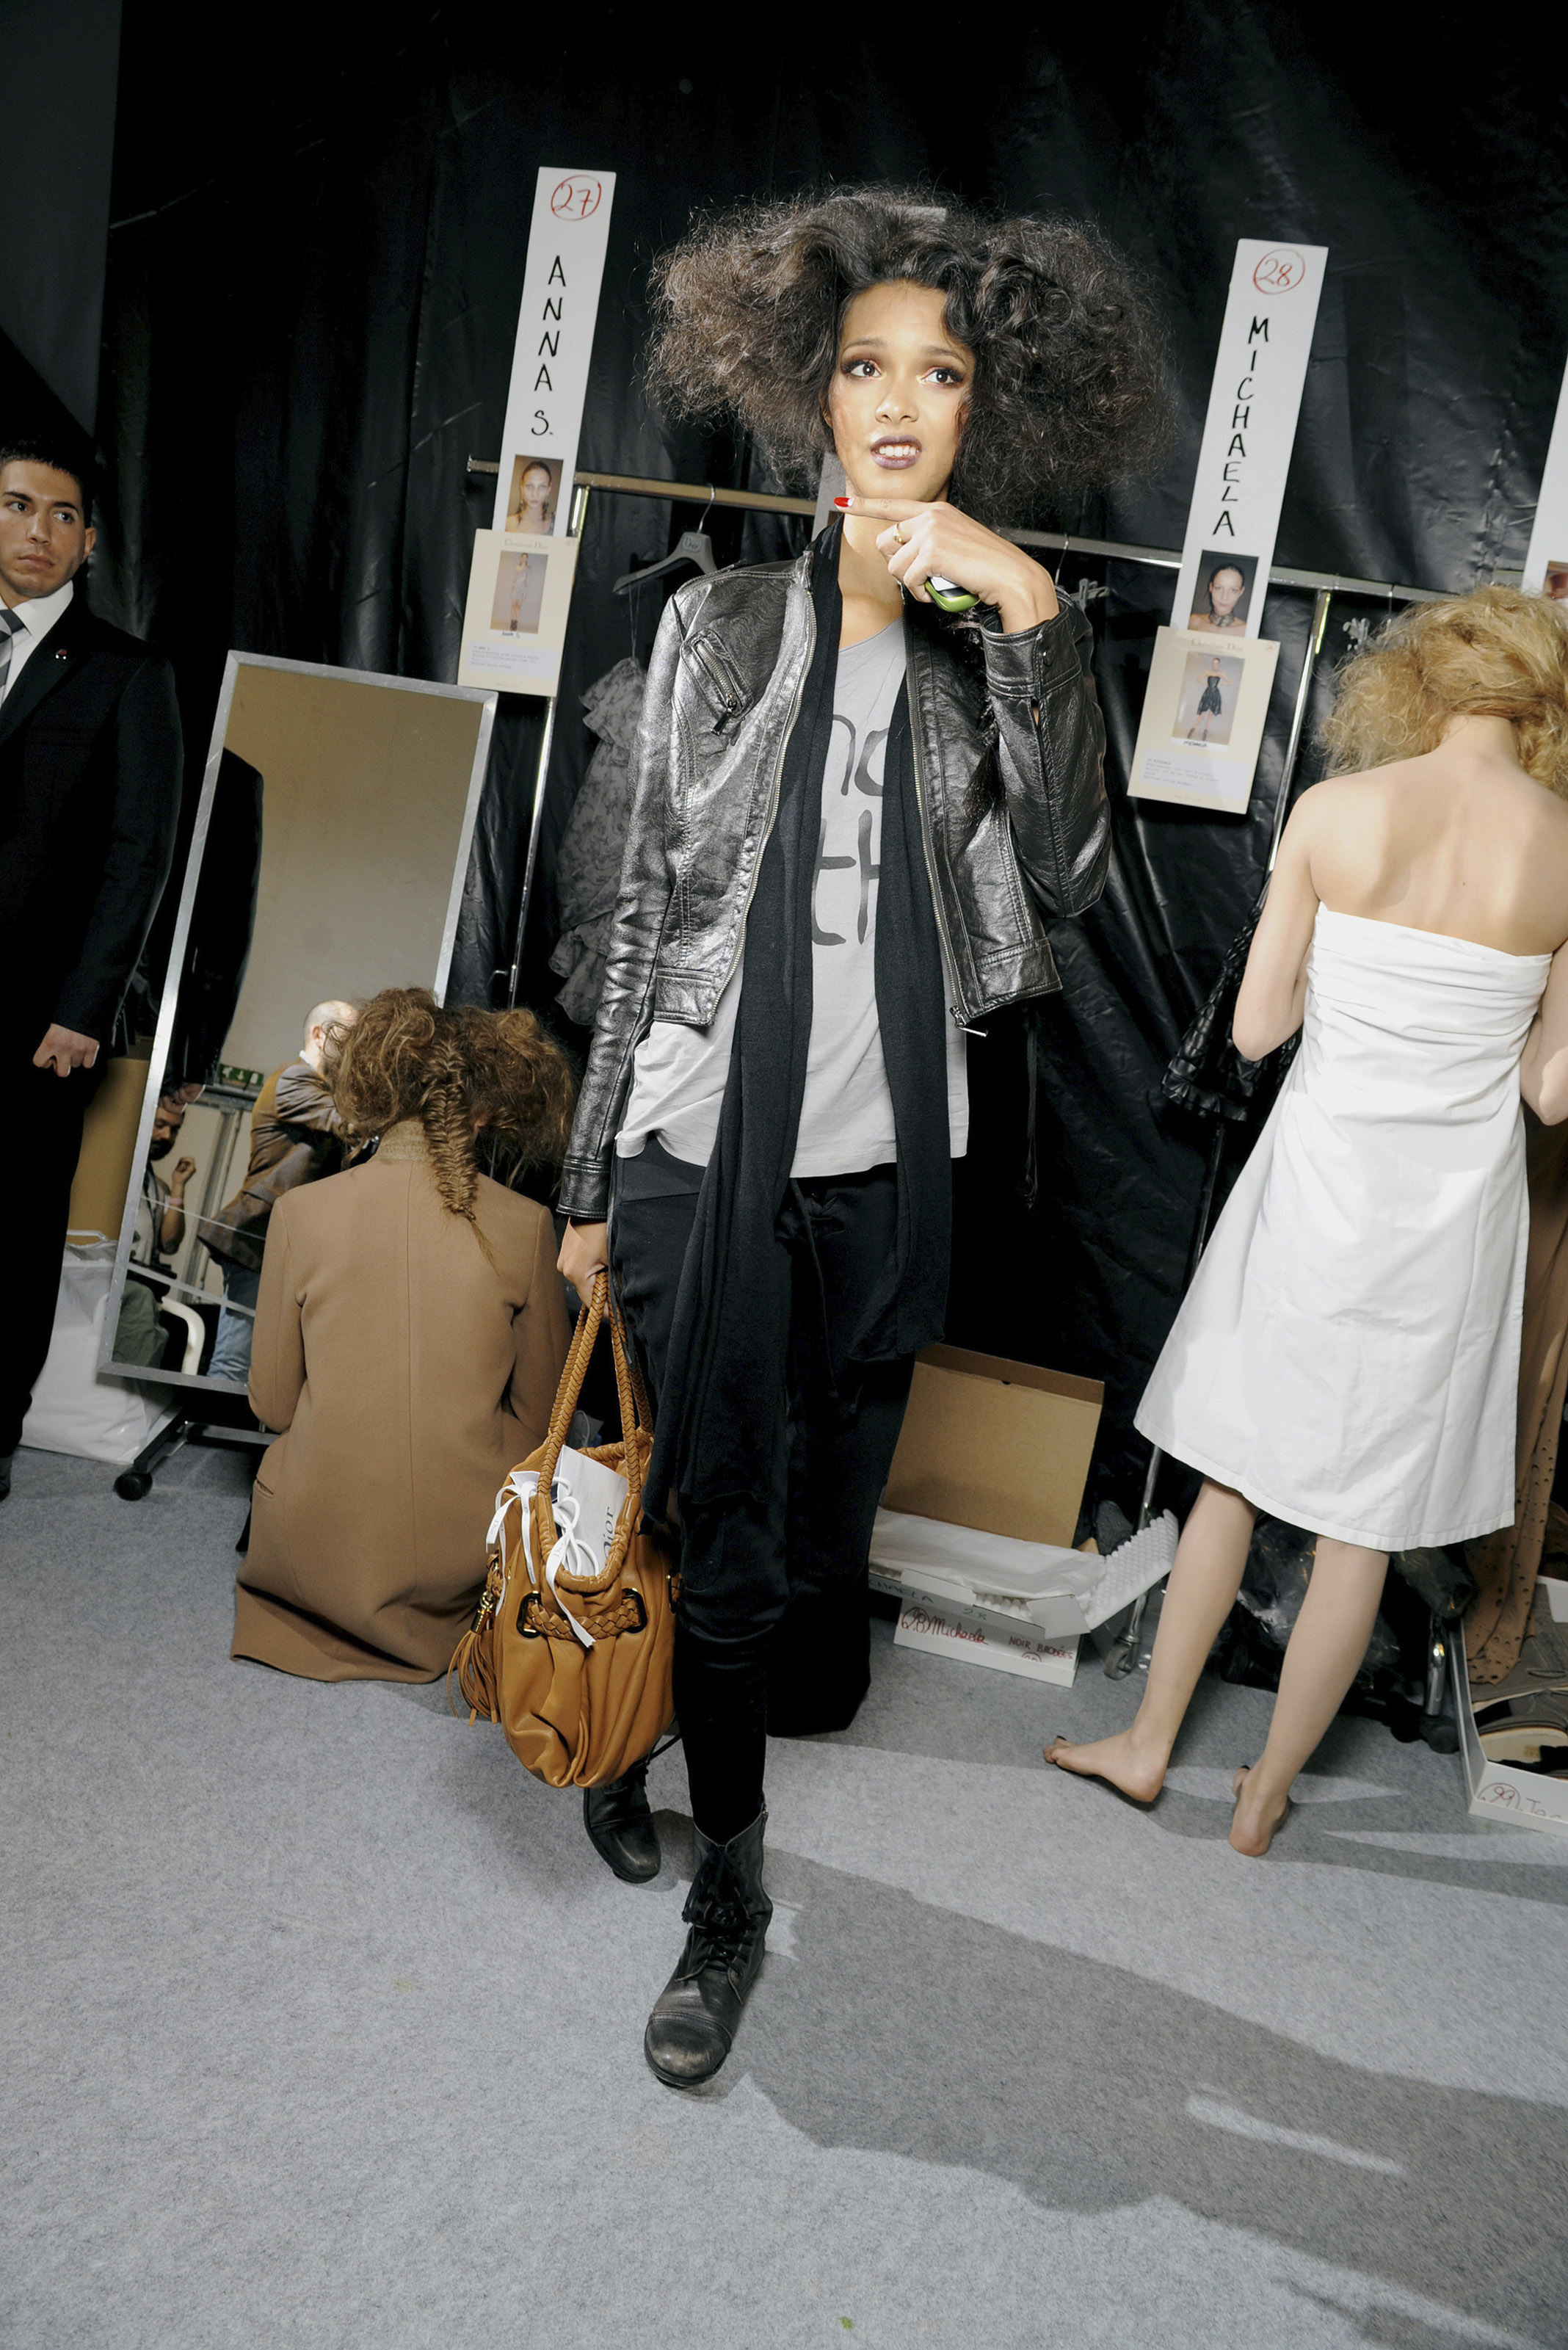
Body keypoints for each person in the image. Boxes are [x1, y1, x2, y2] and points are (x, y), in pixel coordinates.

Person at [556, 186, 1167, 2086]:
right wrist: (588, 1182)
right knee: (737, 1538)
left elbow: (1068, 874)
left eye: (942, 373)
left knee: (802, 1542)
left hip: (886, 1164)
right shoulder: (719, 624)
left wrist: (1033, 609)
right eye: (865, 366)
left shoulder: (996, 653)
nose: (900, 401)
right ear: (809, 395)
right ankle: (729, 1906)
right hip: (699, 1147)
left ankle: (656, 1715)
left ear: (988, 408)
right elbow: (637, 921)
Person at [1049, 587, 1568, 1854]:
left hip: (1316, 1190)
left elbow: (1253, 1029)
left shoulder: (1338, 813)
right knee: (1362, 1526)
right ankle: (1266, 1794)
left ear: (1417, 685)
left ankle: (1147, 1747)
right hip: (1453, 1225)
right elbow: (1550, 1090)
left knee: (1231, 1474)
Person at [233, 989, 575, 1682]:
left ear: (372, 1090)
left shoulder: (301, 1213)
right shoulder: (526, 1225)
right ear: (486, 1105)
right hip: (461, 1555)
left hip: (310, 1545)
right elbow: (545, 1420)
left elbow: (272, 1405)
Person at [0, 435, 183, 1502]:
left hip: (38, 1017)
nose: (38, 529)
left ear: (91, 543)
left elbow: (137, 857)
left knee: (15, 1226)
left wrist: (85, 1007)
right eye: (18, 504)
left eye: (61, 514)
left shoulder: (126, 672)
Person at [199, 1001, 358, 1383]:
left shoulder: (317, 1088)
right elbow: (349, 1123)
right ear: (319, 1034)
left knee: (269, 1368)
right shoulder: (294, 1080)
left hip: (283, 1244)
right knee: (235, 1362)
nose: (358, 1048)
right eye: (350, 1037)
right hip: (259, 1238)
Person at [131, 1092, 196, 1271]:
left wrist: (178, 1186)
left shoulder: (158, 1188)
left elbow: (169, 1245)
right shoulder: (113, 1171)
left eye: (174, 1130)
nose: (167, 1135)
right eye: (160, 1125)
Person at [1188, 562, 1248, 634]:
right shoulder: (1192, 622)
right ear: (1211, 587)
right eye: (1218, 588)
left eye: (1233, 590)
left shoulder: (1247, 631)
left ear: (1241, 592)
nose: (1224, 597)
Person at [508, 459, 556, 535]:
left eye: (542, 487)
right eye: (529, 486)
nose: (535, 494)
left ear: (549, 489)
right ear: (522, 487)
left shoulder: (556, 526)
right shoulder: (507, 524)